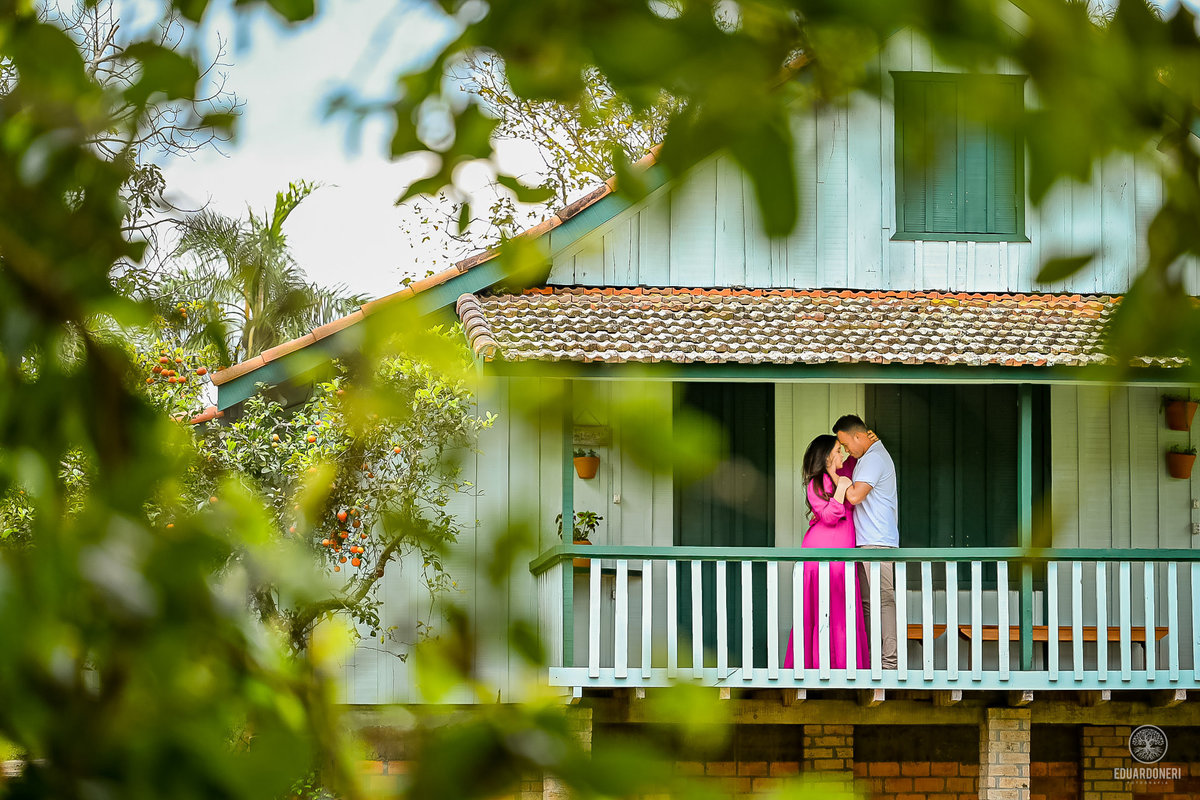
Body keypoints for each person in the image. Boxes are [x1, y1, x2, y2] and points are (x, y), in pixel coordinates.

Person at [783, 434, 869, 670]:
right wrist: (841, 489)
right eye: (837, 450)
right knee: (819, 612)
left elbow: (860, 453)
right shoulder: (816, 483)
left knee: (842, 611)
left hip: (842, 556)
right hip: (820, 552)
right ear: (828, 456)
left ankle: (844, 668)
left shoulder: (845, 472)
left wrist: (870, 441)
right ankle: (813, 667)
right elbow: (830, 517)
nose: (842, 454)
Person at [833, 414, 900, 670]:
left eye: (847, 444)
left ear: (859, 436)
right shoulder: (866, 457)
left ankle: (889, 664)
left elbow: (855, 496)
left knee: (883, 601)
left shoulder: (873, 458)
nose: (846, 450)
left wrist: (837, 480)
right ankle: (874, 661)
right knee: (869, 604)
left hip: (878, 542)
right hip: (867, 541)